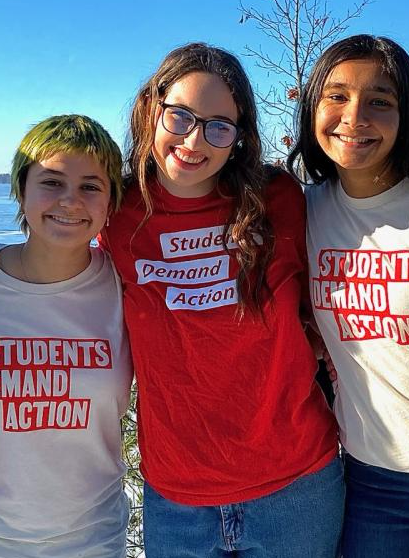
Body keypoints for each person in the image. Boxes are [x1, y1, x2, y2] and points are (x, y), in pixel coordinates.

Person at [101, 43, 342, 558]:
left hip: (295, 486)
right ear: (150, 108)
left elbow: (327, 291)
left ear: (238, 137)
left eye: (218, 126)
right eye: (180, 116)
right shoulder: (116, 213)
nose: (194, 140)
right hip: (177, 496)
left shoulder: (279, 199)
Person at [287, 35, 409, 557]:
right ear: (312, 108)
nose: (355, 117)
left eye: (380, 101)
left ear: (407, 114)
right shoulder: (305, 211)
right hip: (374, 480)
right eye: (336, 96)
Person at [0, 114, 132, 558]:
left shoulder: (125, 283)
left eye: (91, 186)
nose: (70, 201)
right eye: (52, 182)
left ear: (111, 202)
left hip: (92, 542)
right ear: (21, 190)